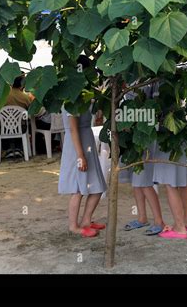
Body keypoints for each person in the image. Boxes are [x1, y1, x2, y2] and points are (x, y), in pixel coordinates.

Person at [59, 56, 106, 238]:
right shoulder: (70, 95)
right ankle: (73, 225)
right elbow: (72, 129)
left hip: (87, 140)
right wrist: (80, 155)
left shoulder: (84, 92)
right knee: (77, 188)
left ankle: (86, 220)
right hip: (76, 143)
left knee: (97, 185)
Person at [120, 84, 165, 236]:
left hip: (146, 134)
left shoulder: (150, 80)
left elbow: (157, 108)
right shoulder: (128, 76)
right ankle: (142, 218)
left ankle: (159, 221)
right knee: (136, 182)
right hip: (132, 135)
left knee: (144, 182)